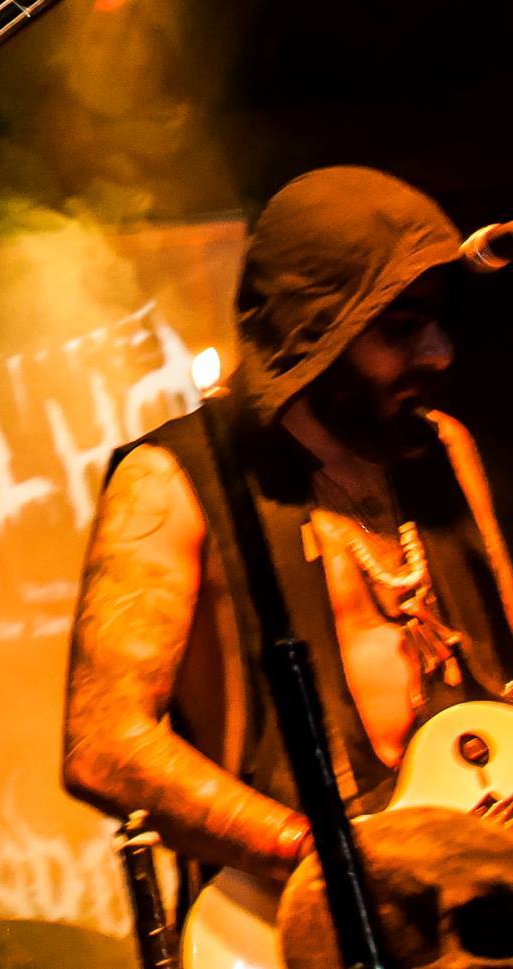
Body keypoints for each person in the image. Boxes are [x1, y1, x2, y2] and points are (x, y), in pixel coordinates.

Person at [62, 167, 513, 900]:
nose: (439, 353)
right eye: (400, 327)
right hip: (294, 914)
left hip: (476, 899)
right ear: (318, 326)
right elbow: (104, 745)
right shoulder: (171, 480)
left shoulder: (442, 448)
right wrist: (335, 862)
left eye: (437, 322)